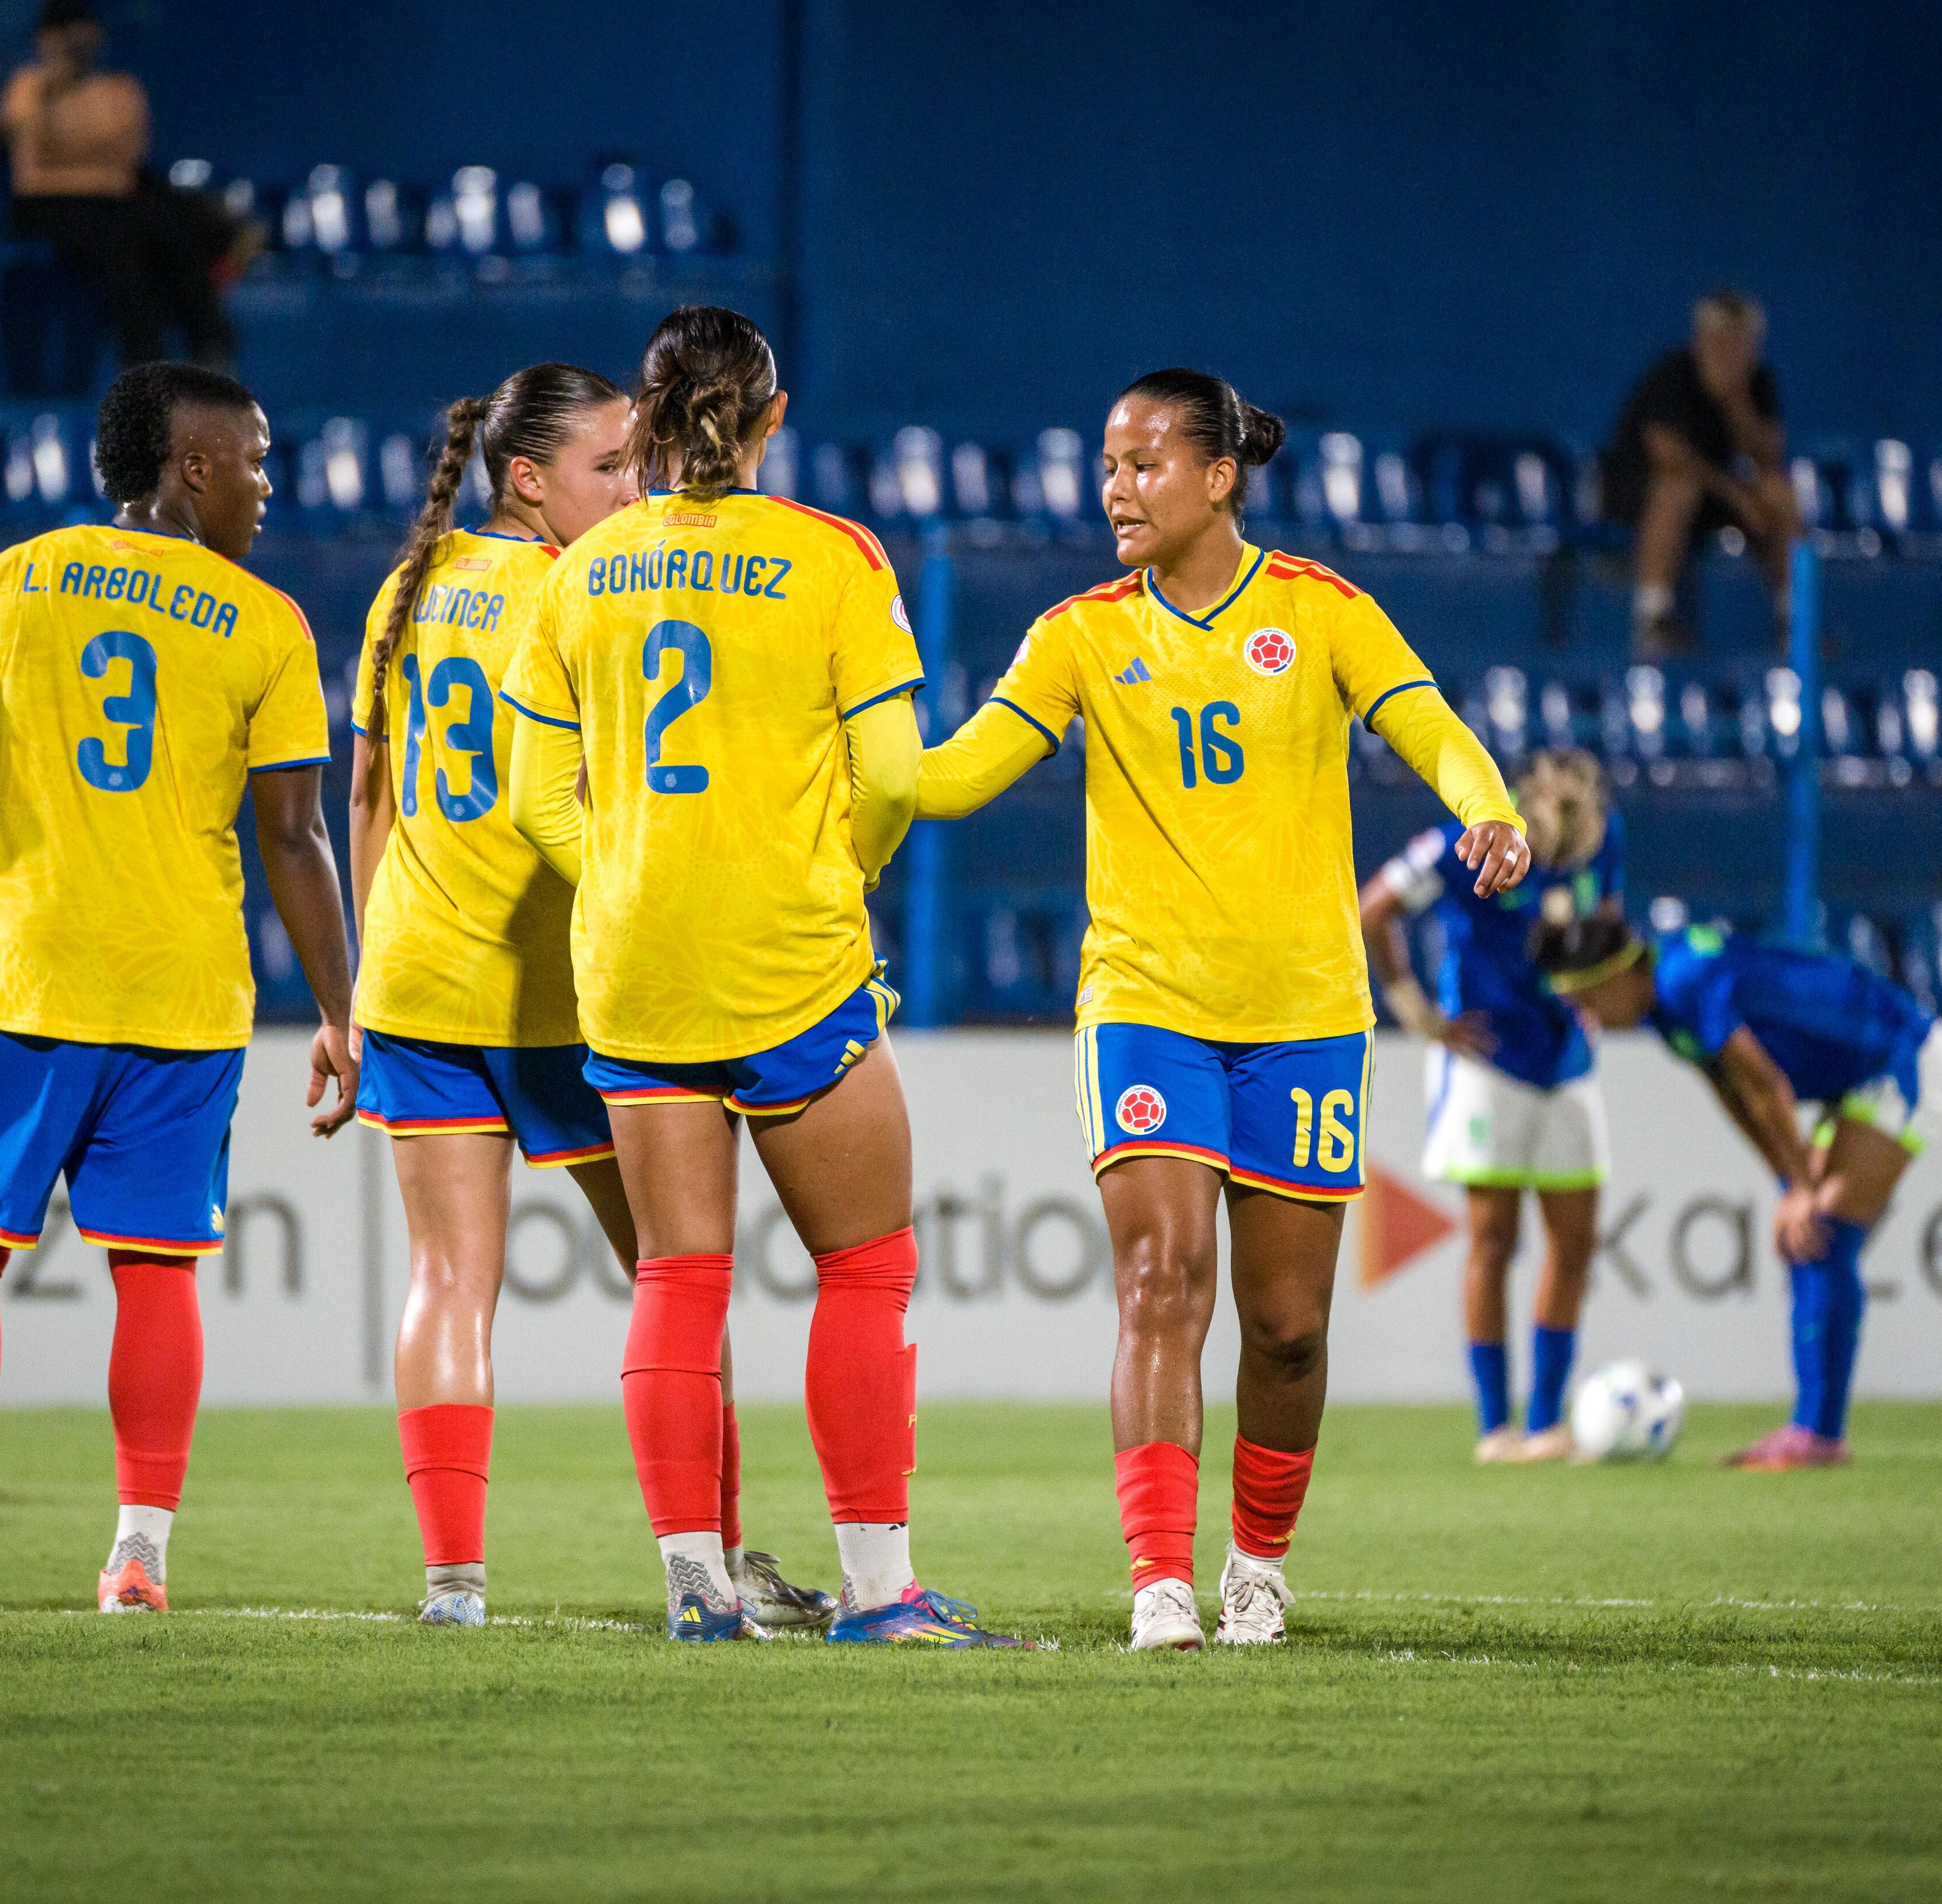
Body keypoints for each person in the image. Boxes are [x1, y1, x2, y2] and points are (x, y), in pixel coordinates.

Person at [916, 368, 1529, 1650]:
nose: (1115, 491)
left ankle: (1257, 1565)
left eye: (1143, 465)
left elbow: (1431, 728)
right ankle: (1158, 1579)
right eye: (1106, 466)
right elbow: (959, 773)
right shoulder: (1079, 632)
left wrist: (1490, 807)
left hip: (1306, 1006)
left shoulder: (1319, 611)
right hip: (1144, 1000)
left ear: (1217, 477)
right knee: (1158, 1277)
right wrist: (830, 776)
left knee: (1290, 1329)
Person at [500, 305, 1018, 1646]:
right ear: (770, 417)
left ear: (648, 419)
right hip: (789, 959)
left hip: (633, 965)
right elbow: (897, 775)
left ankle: (697, 1585)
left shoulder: (580, 571)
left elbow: (532, 798)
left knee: (678, 1275)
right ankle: (879, 1591)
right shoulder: (834, 558)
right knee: (865, 1271)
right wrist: (830, 873)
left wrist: (623, 868)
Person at [0, 361, 357, 1616]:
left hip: (31, 975)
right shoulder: (267, 623)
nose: (269, 487)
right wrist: (341, 1010)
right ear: (194, 466)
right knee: (157, 1269)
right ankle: (138, 1560)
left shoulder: (15, 581)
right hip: (185, 995)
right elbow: (296, 839)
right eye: (258, 460)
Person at [348, 365, 831, 1630]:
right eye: (612, 468)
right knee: (682, 1276)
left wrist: (352, 994)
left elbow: (368, 798)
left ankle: (454, 1583)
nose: (637, 489)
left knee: (447, 1279)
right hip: (566, 989)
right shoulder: (582, 588)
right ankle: (712, 1562)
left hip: (409, 977)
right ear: (528, 478)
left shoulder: (409, 589)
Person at [1533, 907, 1942, 1470]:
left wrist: (1803, 1190)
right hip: (1853, 1079)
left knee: (1822, 1235)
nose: (1583, 1015)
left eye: (1584, 998)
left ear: (1614, 974)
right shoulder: (1659, 1001)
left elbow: (1765, 1085)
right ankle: (1812, 1430)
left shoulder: (1681, 980)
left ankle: (1817, 1437)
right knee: (1807, 1234)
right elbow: (1731, 1091)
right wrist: (1788, 1184)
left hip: (1899, 1055)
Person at [1363, 751, 1621, 1462]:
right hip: (1484, 1060)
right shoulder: (1464, 842)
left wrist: (1593, 986)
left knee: (1573, 1243)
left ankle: (1545, 1422)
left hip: (1566, 1060)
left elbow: (1606, 916)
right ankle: (1493, 1426)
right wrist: (1418, 1013)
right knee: (1492, 1241)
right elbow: (1373, 907)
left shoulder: (1606, 836)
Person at [0, 0, 236, 369]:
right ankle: (144, 369)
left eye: (82, 29)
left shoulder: (120, 90)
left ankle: (210, 346)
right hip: (50, 209)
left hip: (112, 204)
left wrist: (87, 176)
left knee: (171, 227)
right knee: (120, 245)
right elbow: (28, 176)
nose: (74, 42)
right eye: (62, 31)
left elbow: (127, 165)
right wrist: (51, 88)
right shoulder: (27, 89)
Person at [1598, 291, 1801, 653]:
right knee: (1678, 489)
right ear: (1701, 339)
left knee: (1778, 493)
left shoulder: (1757, 383)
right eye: (1722, 341)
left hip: (1709, 499)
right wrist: (1739, 498)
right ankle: (1652, 621)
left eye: (1741, 343)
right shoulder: (1672, 374)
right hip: (1639, 496)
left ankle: (1795, 621)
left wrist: (1735, 401)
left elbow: (1770, 458)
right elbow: (1669, 457)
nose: (1731, 352)